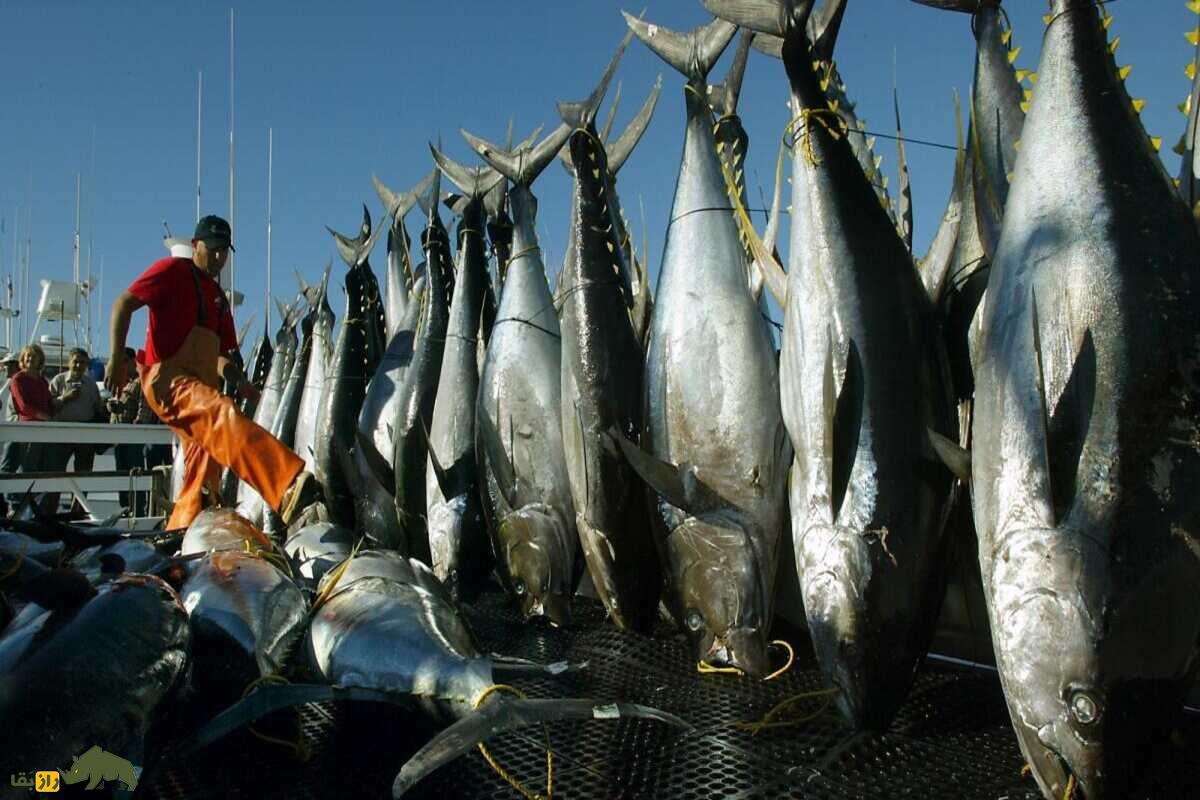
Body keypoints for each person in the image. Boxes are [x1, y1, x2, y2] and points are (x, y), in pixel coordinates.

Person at [105, 215, 319, 530]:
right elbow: (123, 304)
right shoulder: (171, 271)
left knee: (203, 469)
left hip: (199, 389)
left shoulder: (218, 299)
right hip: (169, 383)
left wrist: (244, 385)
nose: (219, 257)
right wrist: (114, 358)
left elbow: (218, 356)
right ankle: (287, 486)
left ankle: (183, 532)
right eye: (213, 248)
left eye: (224, 251)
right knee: (222, 412)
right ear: (195, 246)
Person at [107, 347, 149, 515]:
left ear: (133, 362)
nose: (121, 365)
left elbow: (143, 409)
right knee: (122, 477)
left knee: (135, 477)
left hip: (132, 438)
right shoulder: (120, 383)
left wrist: (136, 429)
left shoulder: (140, 382)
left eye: (124, 361)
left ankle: (138, 512)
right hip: (118, 438)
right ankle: (125, 511)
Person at [0, 353, 23, 476]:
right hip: (15, 431)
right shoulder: (15, 383)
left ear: (15, 365)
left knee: (7, 469)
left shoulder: (19, 382)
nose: (4, 368)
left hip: (17, 432)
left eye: (7, 365)